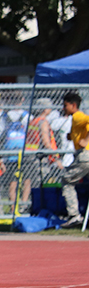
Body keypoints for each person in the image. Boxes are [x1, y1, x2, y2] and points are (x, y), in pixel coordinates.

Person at [60, 92, 89, 227]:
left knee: (67, 181)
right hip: (83, 155)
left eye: (65, 105)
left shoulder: (78, 116)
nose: (63, 108)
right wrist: (72, 137)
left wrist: (86, 140)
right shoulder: (75, 120)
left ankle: (74, 215)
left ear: (73, 105)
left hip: (85, 156)